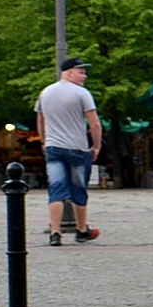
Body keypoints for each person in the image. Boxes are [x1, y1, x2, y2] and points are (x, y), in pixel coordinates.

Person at [37, 57, 104, 246]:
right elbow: (94, 123)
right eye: (80, 71)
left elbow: (40, 120)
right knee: (78, 189)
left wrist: (44, 141)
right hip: (77, 149)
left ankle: (55, 232)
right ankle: (81, 230)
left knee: (56, 189)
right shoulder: (82, 93)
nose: (85, 76)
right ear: (68, 72)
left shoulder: (45, 93)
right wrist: (96, 145)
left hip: (53, 148)